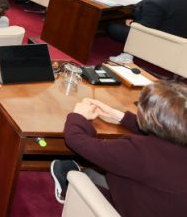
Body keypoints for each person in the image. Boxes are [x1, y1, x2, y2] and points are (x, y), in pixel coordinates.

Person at [49, 81, 187, 215]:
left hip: (129, 209)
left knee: (77, 177)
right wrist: (119, 116)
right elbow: (165, 135)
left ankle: (67, 191)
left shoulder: (138, 152)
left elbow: (76, 140)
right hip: (161, 204)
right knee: (90, 173)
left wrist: (78, 115)